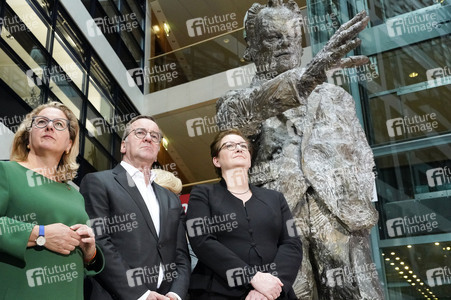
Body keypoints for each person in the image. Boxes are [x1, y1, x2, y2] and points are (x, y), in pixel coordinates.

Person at [216, 1, 382, 299]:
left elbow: (361, 155)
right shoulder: (237, 101)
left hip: (340, 217)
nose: (287, 43)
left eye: (294, 35)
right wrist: (308, 77)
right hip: (276, 223)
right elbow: (241, 120)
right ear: (251, 47)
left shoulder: (338, 98)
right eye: (273, 36)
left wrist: (362, 205)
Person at [80, 115, 191, 300]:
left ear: (157, 151)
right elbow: (99, 242)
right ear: (123, 145)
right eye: (140, 132)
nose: (148, 137)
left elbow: (181, 255)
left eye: (155, 136)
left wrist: (175, 294)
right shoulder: (98, 182)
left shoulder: (171, 199)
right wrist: (142, 295)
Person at [0, 101, 103, 299]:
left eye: (58, 124)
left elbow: (82, 262)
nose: (49, 126)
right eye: (41, 122)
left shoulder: (75, 195)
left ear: (69, 144)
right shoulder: (5, 172)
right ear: (28, 138)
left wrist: (90, 253)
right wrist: (41, 234)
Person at [186, 129, 303, 300]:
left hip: (274, 293)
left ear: (249, 160)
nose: (239, 148)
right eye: (229, 146)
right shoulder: (202, 194)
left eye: (243, 146)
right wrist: (252, 277)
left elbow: (292, 243)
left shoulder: (275, 198)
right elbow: (202, 241)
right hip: (218, 291)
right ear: (216, 160)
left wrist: (270, 285)